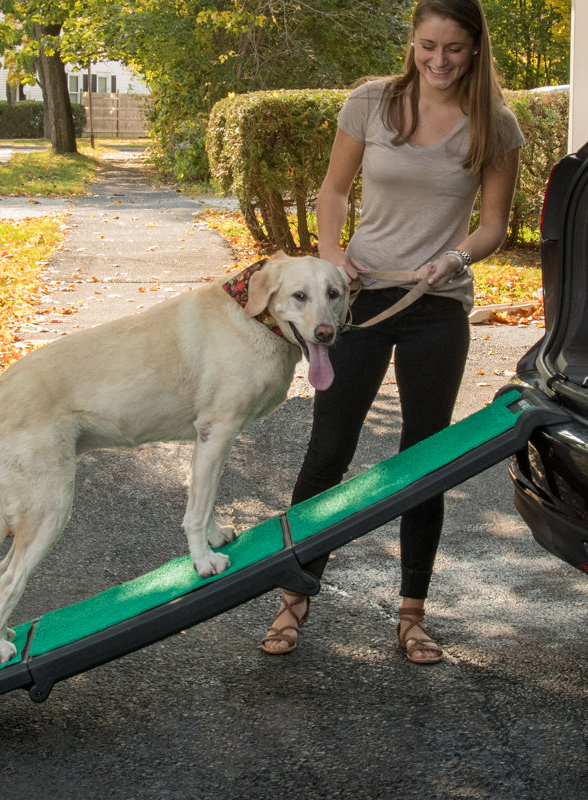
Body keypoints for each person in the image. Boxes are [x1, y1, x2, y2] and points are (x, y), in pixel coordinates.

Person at [260, 0, 524, 662]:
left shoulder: (496, 125)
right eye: (428, 46)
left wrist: (456, 257)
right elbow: (333, 190)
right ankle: (295, 597)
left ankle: (411, 614)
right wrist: (330, 254)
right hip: (362, 300)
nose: (439, 60)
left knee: (423, 458)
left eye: (455, 49)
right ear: (412, 43)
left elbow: (494, 223)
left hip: (437, 305)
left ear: (474, 49)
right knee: (328, 448)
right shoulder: (370, 104)